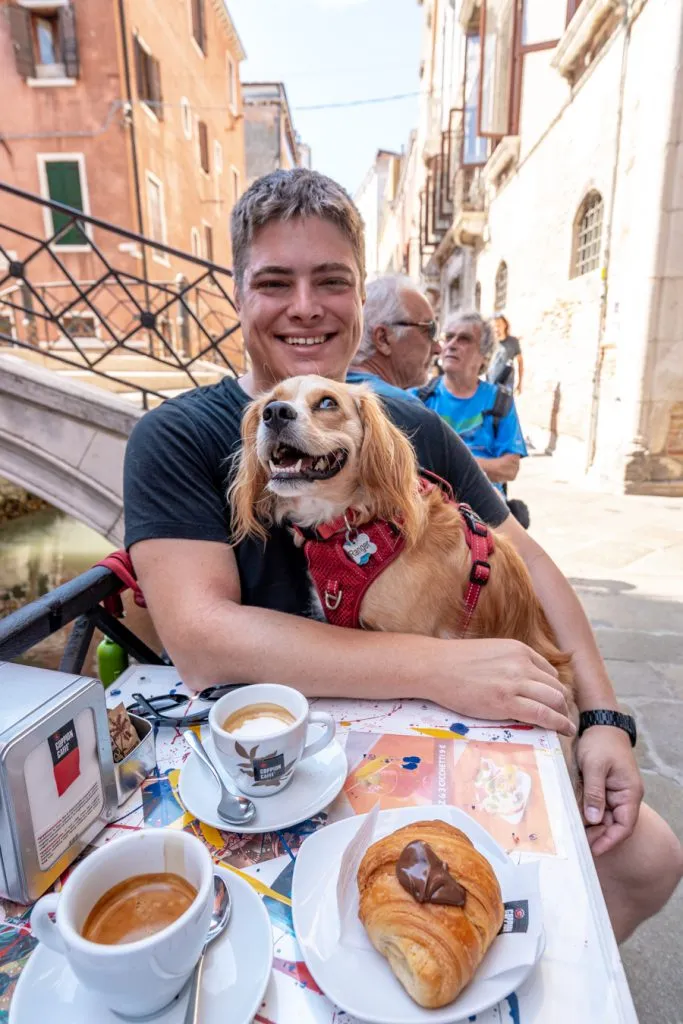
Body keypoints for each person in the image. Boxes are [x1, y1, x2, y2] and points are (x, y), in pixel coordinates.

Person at [123, 168, 682, 943]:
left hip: (438, 731)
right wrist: (437, 666)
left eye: (331, 281)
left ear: (360, 300)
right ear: (238, 292)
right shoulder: (177, 435)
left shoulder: (399, 421)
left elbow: (531, 561)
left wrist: (603, 717)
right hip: (278, 748)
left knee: (648, 858)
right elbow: (201, 641)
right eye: (275, 281)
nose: (306, 306)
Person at [413, 313, 527, 497]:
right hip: (431, 507)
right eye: (448, 337)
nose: (451, 345)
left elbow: (509, 468)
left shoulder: (499, 400)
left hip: (486, 509)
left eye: (464, 339)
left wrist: (453, 462)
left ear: (484, 355)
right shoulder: (418, 398)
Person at [347, 274, 441, 398]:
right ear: (383, 339)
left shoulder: (327, 391)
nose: (438, 348)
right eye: (430, 330)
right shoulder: (407, 409)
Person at [487, 314, 524, 394]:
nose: (496, 329)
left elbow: (520, 362)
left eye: (499, 325)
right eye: (493, 327)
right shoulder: (489, 343)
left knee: (504, 405)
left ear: (505, 325)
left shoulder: (513, 342)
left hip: (506, 385)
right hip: (490, 383)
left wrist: (520, 383)